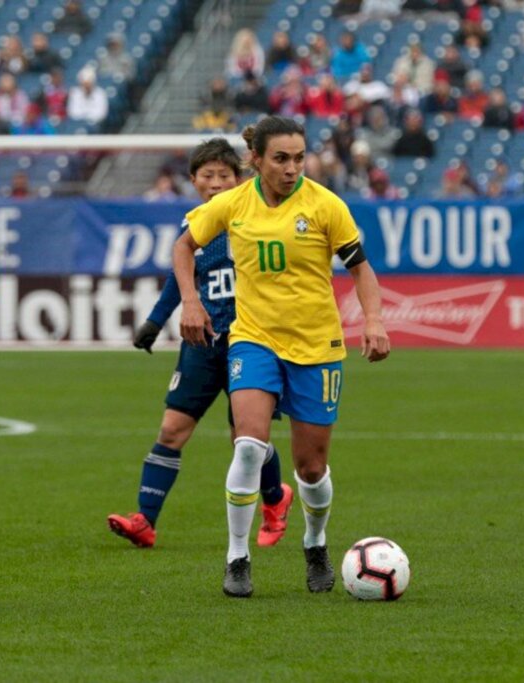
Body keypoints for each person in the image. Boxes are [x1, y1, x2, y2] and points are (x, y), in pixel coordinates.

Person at [172, 116, 390, 598]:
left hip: (316, 347)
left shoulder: (325, 206)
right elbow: (184, 245)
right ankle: (237, 557)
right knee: (248, 444)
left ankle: (315, 542)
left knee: (310, 469)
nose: (292, 168)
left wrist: (373, 320)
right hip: (253, 339)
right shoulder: (232, 204)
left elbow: (361, 269)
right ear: (256, 160)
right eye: (281, 159)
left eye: (298, 158)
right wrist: (190, 300)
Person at [108, 138, 293, 549]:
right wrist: (155, 322)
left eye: (223, 176)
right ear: (193, 181)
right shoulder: (194, 227)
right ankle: (145, 520)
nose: (214, 184)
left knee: (245, 439)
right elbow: (181, 276)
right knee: (172, 429)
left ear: (239, 179)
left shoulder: (259, 219)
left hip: (253, 342)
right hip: (202, 343)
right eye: (206, 176)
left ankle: (275, 498)